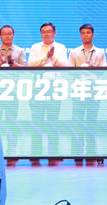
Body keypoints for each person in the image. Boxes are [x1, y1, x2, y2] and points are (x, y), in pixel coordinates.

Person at [27, 23, 67, 158]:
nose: (46, 34)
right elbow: (31, 64)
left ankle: (53, 151)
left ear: (54, 33)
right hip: (37, 87)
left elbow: (64, 65)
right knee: (36, 120)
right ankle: (36, 152)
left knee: (53, 120)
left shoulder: (61, 47)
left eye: (49, 31)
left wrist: (52, 56)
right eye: (43, 32)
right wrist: (46, 57)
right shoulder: (35, 47)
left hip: (55, 87)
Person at [67, 24, 106, 163]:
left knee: (92, 122)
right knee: (77, 121)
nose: (85, 35)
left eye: (88, 33)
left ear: (93, 35)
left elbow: (104, 71)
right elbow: (69, 71)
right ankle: (77, 151)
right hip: (78, 89)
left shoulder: (100, 52)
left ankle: (91, 151)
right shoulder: (74, 52)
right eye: (83, 33)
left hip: (94, 90)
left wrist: (95, 69)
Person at [0, 25, 26, 157]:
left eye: (9, 34)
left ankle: (12, 148)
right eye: (4, 34)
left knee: (12, 121)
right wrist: (1, 63)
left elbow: (24, 69)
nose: (7, 36)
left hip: (13, 92)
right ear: (0, 36)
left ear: (13, 35)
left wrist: (12, 63)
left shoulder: (19, 51)